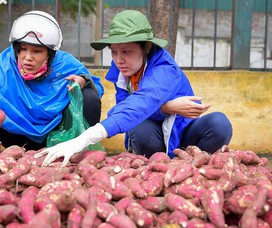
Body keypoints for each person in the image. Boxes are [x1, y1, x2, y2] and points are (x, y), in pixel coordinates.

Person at [38, 9, 233, 166]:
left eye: (127, 52)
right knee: (138, 128)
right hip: (153, 137)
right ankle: (158, 167)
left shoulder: (165, 70)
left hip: (184, 132)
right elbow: (125, 109)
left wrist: (83, 139)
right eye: (114, 52)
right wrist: (166, 107)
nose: (118, 60)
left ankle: (194, 166)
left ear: (147, 47)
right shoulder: (124, 69)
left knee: (219, 124)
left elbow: (139, 104)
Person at [0, 10, 104, 150]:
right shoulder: (6, 66)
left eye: (37, 51)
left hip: (60, 139)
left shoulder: (65, 64)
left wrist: (83, 82)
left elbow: (95, 88)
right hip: (17, 139)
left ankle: (77, 151)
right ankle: (22, 155)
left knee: (89, 98)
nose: (27, 57)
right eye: (23, 49)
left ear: (50, 54)